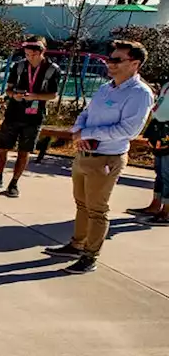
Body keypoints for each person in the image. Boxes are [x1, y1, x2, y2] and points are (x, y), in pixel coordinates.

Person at [45, 40, 155, 274]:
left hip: (106, 158)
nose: (110, 64)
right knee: (82, 204)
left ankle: (90, 255)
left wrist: (89, 133)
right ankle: (77, 244)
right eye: (110, 58)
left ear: (135, 63)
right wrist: (77, 131)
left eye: (117, 60)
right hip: (85, 155)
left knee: (97, 209)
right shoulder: (107, 88)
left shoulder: (140, 94)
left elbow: (129, 130)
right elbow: (87, 113)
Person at [0, 36, 62, 197]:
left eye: (33, 54)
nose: (30, 57)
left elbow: (53, 95)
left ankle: (14, 183)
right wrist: (14, 95)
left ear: (42, 51)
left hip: (34, 117)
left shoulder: (52, 69)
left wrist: (35, 96)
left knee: (24, 151)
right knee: (2, 148)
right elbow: (9, 89)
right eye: (27, 54)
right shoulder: (18, 66)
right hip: (13, 113)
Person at [132, 82, 169, 225]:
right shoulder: (166, 85)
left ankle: (166, 212)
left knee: (167, 173)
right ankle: (156, 205)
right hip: (161, 130)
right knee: (160, 172)